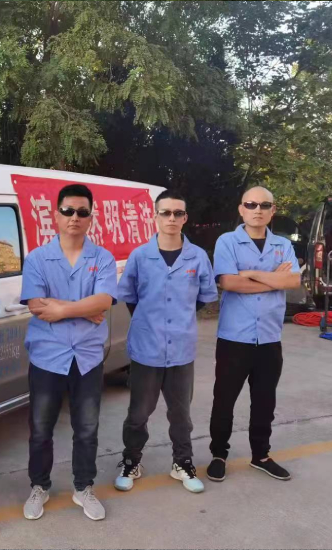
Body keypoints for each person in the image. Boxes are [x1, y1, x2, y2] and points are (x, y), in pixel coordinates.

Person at [20, 184, 118, 522]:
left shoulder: (102, 258)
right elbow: (36, 305)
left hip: (87, 357)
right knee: (40, 428)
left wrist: (61, 308)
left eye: (82, 212)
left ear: (91, 217)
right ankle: (39, 486)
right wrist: (83, 309)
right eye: (68, 211)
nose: (75, 217)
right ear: (56, 214)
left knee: (87, 428)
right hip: (47, 356)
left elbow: (103, 301)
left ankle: (83, 487)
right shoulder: (37, 258)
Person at [114, 190, 218, 493]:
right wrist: (150, 321)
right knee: (138, 413)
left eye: (177, 213)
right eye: (165, 212)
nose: (171, 218)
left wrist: (180, 317)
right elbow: (130, 297)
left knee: (181, 414)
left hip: (181, 350)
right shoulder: (139, 256)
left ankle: (182, 462)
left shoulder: (197, 256)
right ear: (155, 216)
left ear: (185, 218)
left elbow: (204, 297)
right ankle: (131, 461)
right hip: (146, 349)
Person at [206, 186, 301, 483]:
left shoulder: (282, 245)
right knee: (224, 399)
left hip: (269, 337)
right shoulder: (227, 241)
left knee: (264, 401)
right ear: (241, 209)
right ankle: (218, 454)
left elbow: (293, 281)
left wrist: (251, 273)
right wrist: (274, 279)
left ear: (273, 211)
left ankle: (261, 455)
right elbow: (229, 283)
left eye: (264, 205)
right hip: (234, 337)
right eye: (251, 204)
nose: (257, 210)